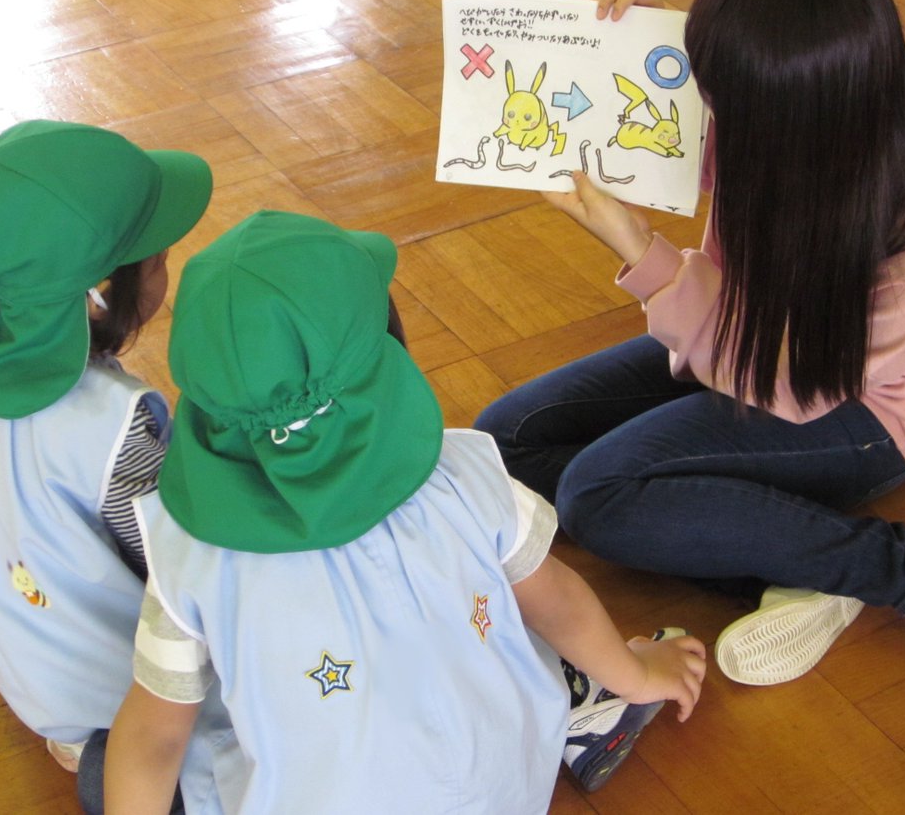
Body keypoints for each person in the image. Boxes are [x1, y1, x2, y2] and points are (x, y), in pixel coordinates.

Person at [473, 0, 905, 725]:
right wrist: (614, 54)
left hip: (860, 409)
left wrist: (636, 249)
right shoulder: (793, 117)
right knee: (506, 440)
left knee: (600, 493)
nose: (707, 108)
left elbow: (790, 383)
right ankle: (791, 565)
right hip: (740, 329)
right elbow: (656, 144)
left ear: (788, 104)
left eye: (721, 91)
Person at [102, 211, 708, 814]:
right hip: (506, 795)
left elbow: (154, 734)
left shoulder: (189, 556)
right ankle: (590, 716)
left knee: (162, 747)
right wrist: (636, 675)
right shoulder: (467, 476)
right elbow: (559, 602)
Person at [0, 119, 232, 813]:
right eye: (160, 253)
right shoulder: (118, 426)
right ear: (111, 288)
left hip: (31, 672)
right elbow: (184, 578)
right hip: (120, 701)